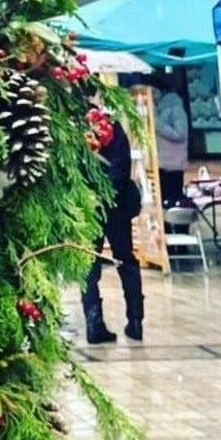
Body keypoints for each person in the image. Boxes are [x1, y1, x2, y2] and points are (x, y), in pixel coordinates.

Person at [82, 118, 144, 344]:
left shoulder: (78, 128)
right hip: (117, 207)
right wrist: (110, 191)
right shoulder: (114, 128)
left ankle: (94, 323)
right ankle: (135, 321)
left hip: (90, 206)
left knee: (88, 264)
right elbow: (122, 168)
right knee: (126, 260)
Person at [154, 73, 189, 207]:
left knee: (174, 201)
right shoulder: (156, 109)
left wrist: (159, 125)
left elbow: (181, 134)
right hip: (161, 163)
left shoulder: (176, 108)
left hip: (174, 164)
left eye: (154, 92)